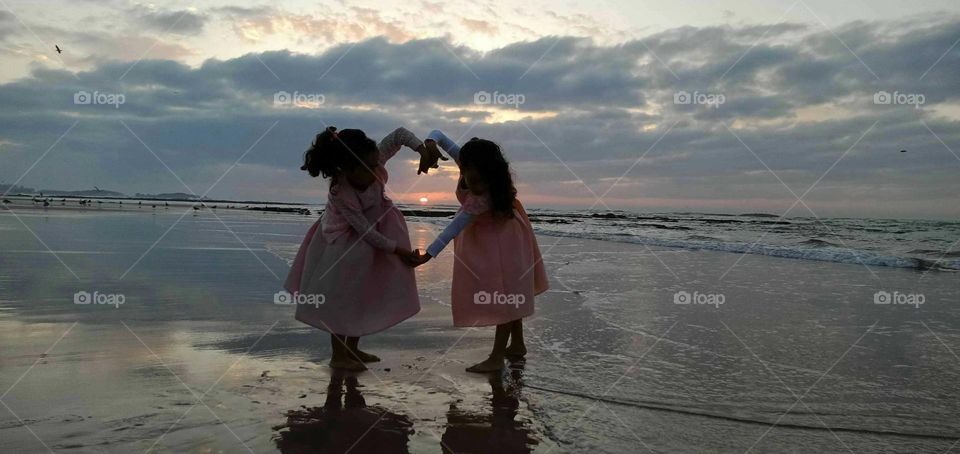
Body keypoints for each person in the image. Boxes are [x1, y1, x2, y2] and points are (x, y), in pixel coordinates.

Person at [285, 126, 440, 371]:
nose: (374, 172)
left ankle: (353, 348)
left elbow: (400, 134)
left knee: (363, 294)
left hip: (373, 239)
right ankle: (338, 355)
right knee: (340, 298)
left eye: (374, 165)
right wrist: (398, 250)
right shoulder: (341, 191)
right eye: (366, 169)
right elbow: (363, 230)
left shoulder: (373, 157)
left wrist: (422, 149)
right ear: (345, 169)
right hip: (342, 245)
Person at [410, 130, 548, 372]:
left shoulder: (482, 197)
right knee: (510, 291)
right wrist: (430, 144)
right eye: (468, 178)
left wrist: (428, 254)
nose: (471, 185)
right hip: (498, 237)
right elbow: (440, 135)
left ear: (491, 177)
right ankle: (517, 344)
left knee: (505, 294)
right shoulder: (470, 164)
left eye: (477, 181)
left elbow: (454, 227)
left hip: (504, 243)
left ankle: (496, 357)